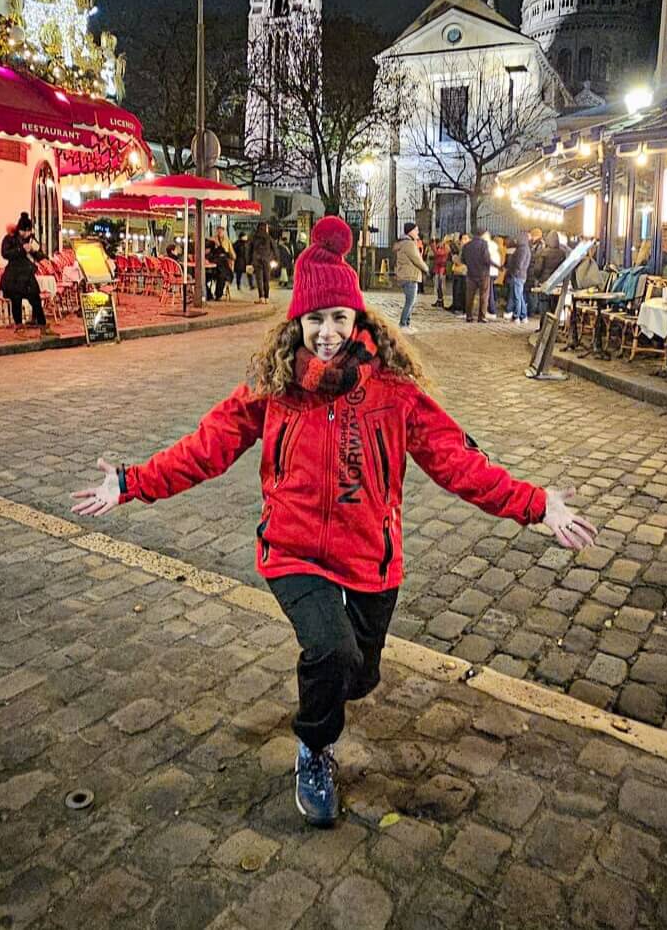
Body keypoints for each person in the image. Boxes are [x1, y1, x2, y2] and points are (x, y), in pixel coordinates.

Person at [71, 216, 596, 828]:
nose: (326, 334)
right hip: (292, 551)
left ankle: (334, 687)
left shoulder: (393, 391)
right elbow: (203, 449)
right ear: (297, 321)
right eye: (315, 320)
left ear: (358, 320)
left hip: (371, 555)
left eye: (338, 319)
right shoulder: (272, 389)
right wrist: (131, 481)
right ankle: (314, 747)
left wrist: (536, 504)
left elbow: (458, 462)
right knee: (330, 651)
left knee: (360, 671)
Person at [0, 212, 55, 338]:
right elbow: (5, 253)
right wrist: (21, 250)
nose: (28, 233)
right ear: (20, 230)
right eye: (26, 231)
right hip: (14, 276)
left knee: (35, 300)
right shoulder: (10, 238)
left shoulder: (31, 239)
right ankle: (19, 328)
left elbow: (39, 254)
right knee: (16, 301)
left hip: (28, 276)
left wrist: (38, 253)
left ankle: (43, 327)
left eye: (29, 230)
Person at [393, 221, 429, 330]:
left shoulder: (404, 242)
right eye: (416, 230)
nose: (417, 232)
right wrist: (426, 269)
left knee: (411, 301)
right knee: (410, 301)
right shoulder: (409, 244)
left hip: (406, 275)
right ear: (411, 231)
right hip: (410, 275)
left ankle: (407, 324)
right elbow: (417, 259)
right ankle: (403, 324)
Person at [461, 227, 492, 323]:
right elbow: (486, 259)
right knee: (484, 295)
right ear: (482, 234)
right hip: (483, 274)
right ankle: (482, 316)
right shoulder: (484, 244)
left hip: (471, 273)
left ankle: (469, 316)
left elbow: (463, 259)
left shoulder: (467, 245)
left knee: (469, 295)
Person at [507, 228, 532, 323]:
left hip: (518, 275)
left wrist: (513, 272)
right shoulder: (526, 249)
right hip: (522, 275)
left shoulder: (521, 250)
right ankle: (523, 315)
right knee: (520, 296)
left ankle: (516, 316)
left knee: (517, 296)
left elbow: (519, 264)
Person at [251, 222, 279, 304]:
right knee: (266, 279)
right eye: (267, 227)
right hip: (267, 261)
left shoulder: (254, 237)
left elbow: (249, 249)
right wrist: (276, 259)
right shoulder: (269, 238)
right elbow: (275, 249)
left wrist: (249, 261)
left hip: (257, 260)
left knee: (259, 279)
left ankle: (261, 298)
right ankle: (267, 298)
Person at [447, 233, 470, 313]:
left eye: (466, 239)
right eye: (463, 239)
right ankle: (455, 305)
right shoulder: (461, 248)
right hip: (457, 271)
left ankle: (460, 307)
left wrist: (454, 258)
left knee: (461, 291)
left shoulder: (468, 249)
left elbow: (460, 261)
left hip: (464, 272)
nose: (464, 241)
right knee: (455, 290)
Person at [431, 238, 449, 307]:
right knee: (437, 285)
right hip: (437, 268)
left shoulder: (445, 248)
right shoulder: (439, 248)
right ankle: (439, 299)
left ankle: (441, 300)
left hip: (442, 269)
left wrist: (434, 245)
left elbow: (438, 253)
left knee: (441, 285)